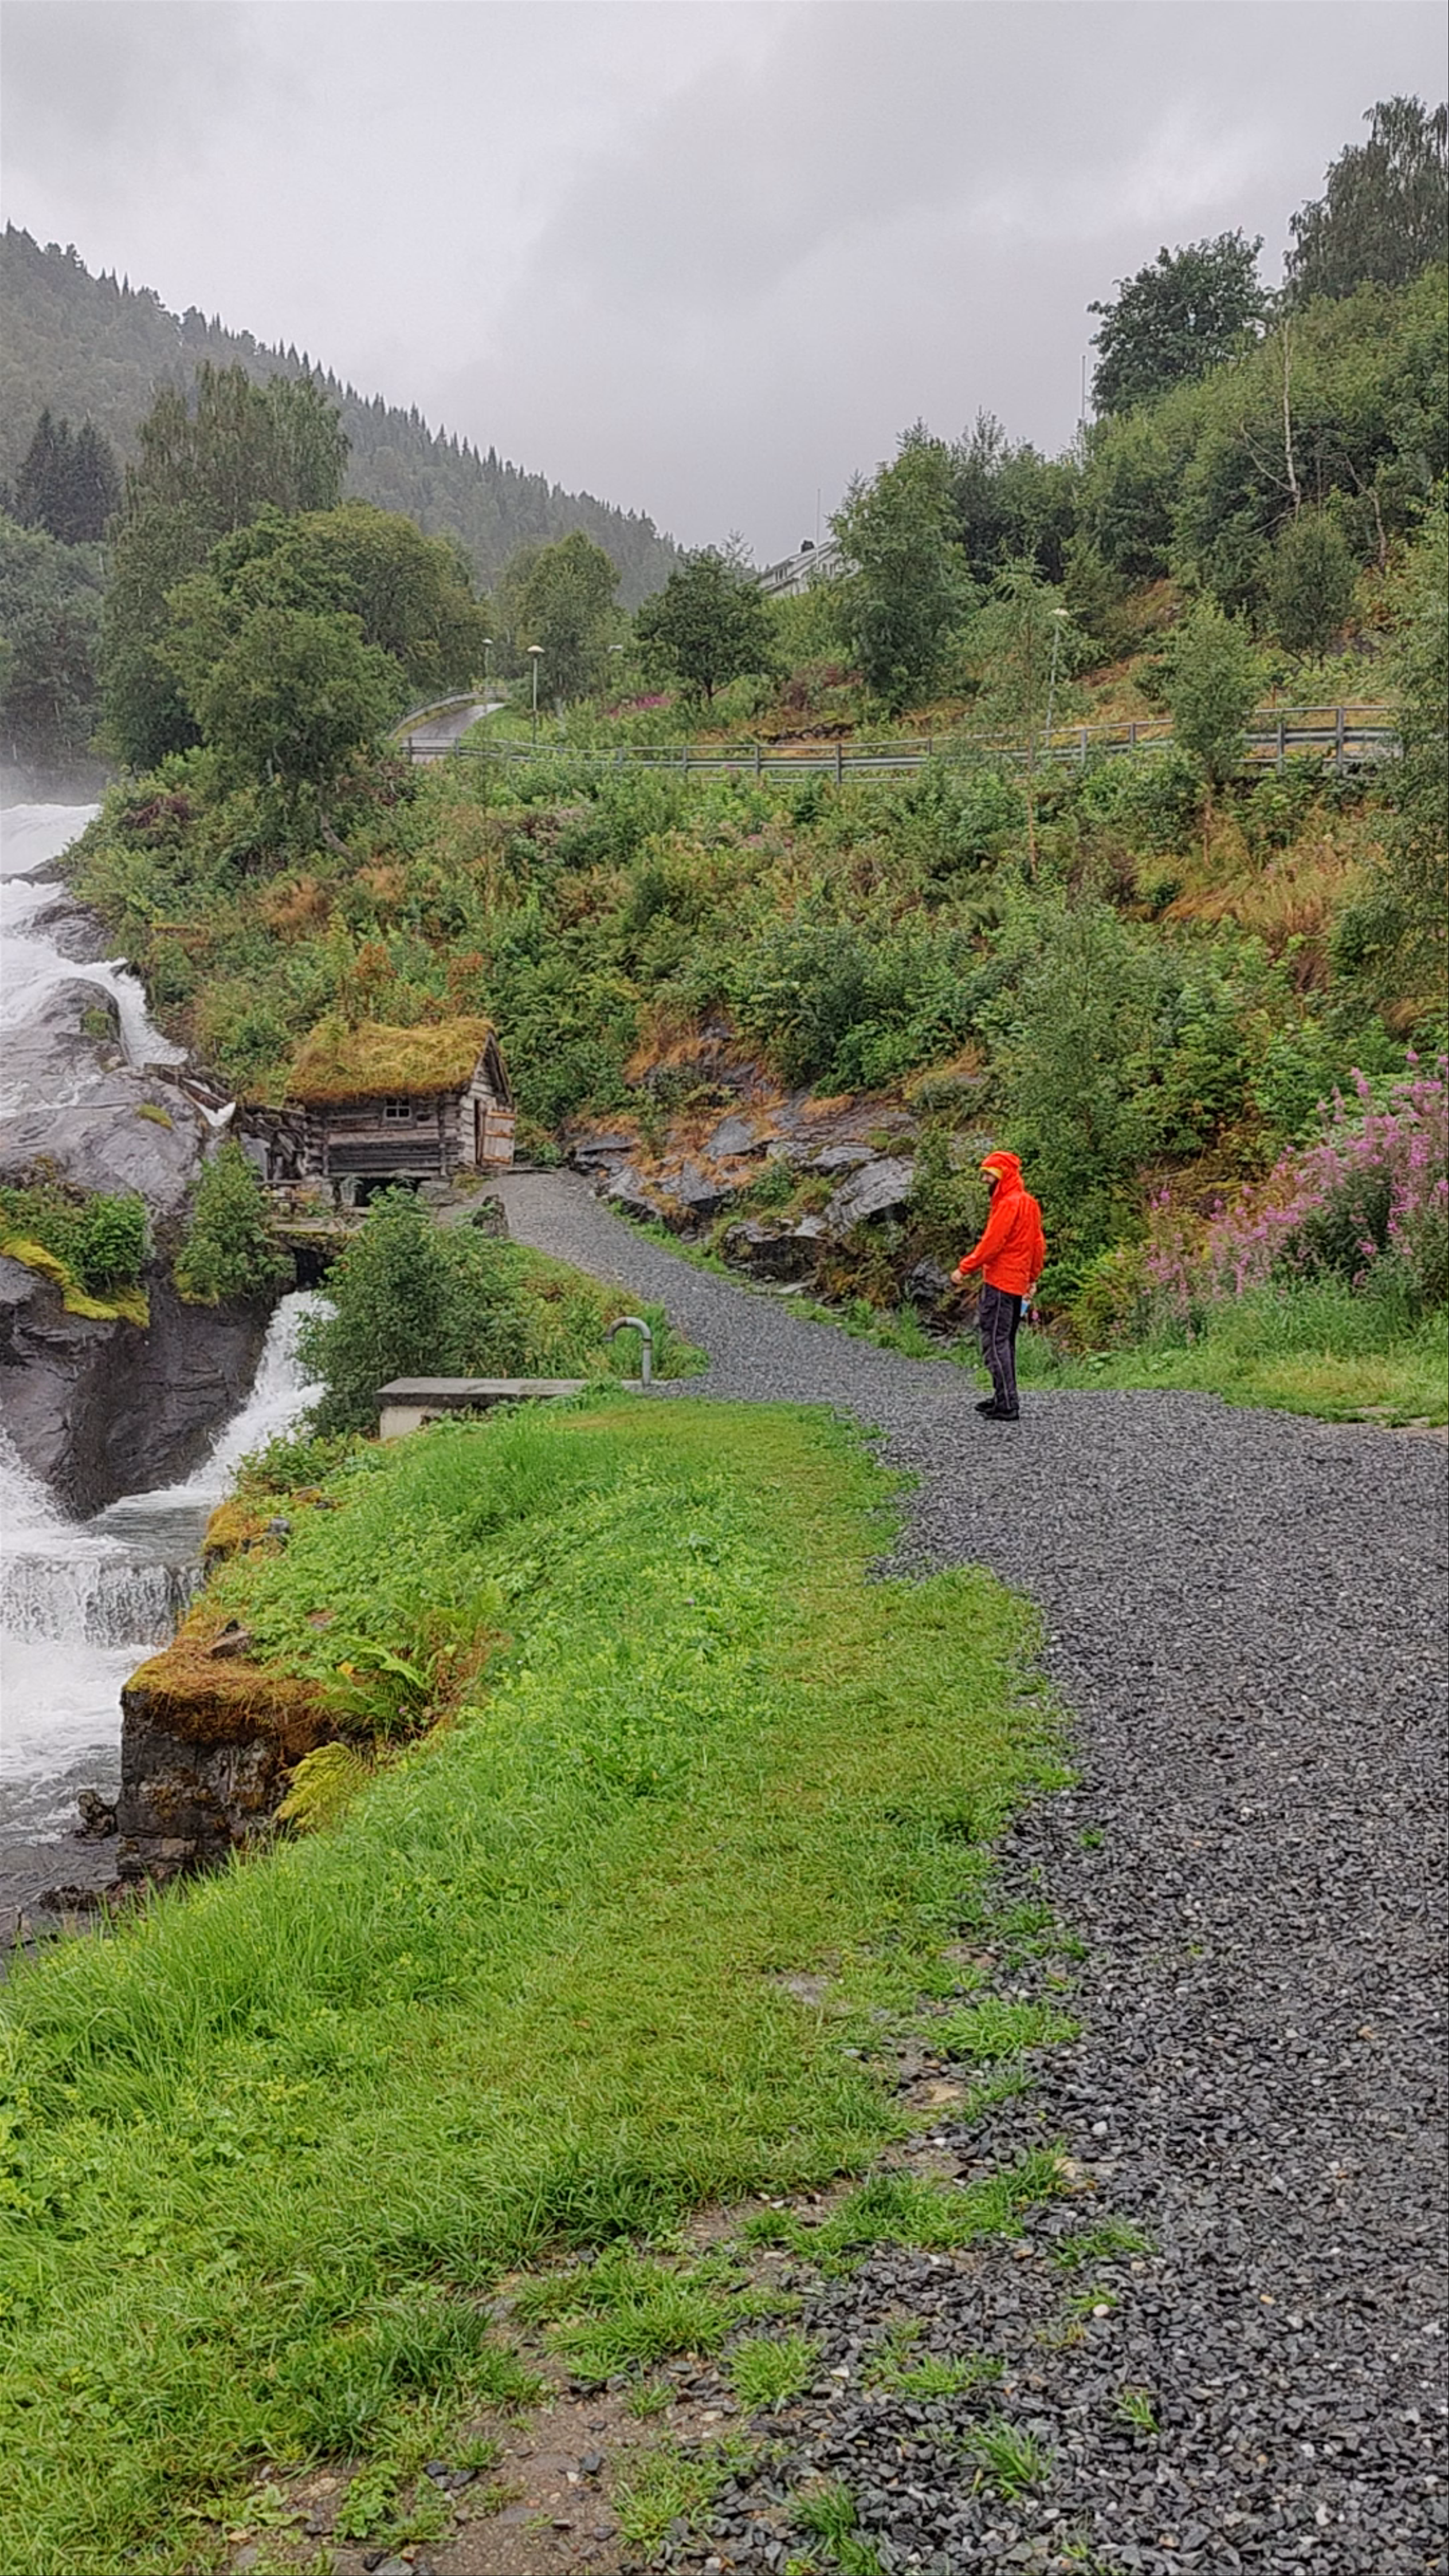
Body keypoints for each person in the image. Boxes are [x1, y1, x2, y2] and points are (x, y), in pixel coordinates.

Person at [951, 1150, 1045, 1423]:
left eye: (989, 1175)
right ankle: (1003, 1397)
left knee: (994, 1340)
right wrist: (1032, 1277)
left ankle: (1007, 1403)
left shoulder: (1008, 1205)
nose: (984, 1180)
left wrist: (965, 1268)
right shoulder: (1029, 1203)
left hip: (1000, 1283)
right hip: (1016, 1285)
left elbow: (992, 1243)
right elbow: (1038, 1245)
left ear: (1003, 1176)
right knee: (1006, 1340)